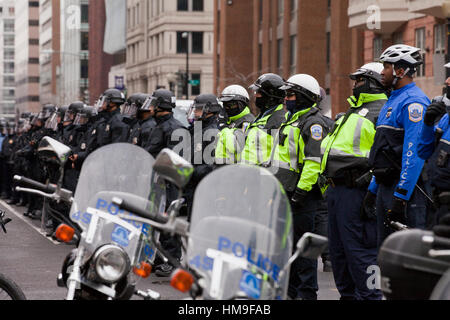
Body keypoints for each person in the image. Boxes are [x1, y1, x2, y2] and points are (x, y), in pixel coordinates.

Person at [321, 62, 388, 300]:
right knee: (339, 256)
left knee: (361, 255)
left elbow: (388, 156)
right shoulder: (351, 112)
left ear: (373, 82)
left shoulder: (381, 111)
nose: (355, 85)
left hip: (358, 192)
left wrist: (370, 183)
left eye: (360, 80)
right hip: (337, 191)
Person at [267, 74, 330, 300]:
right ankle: (291, 294)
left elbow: (313, 163)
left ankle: (306, 295)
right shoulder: (292, 119)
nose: (286, 98)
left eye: (291, 94)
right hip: (286, 193)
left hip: (302, 197)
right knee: (290, 249)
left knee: (303, 252)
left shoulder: (312, 123)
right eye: (285, 94)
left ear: (304, 97)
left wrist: (301, 193)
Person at [363, 44, 431, 248]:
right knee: (385, 255)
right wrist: (372, 189)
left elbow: (414, 154)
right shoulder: (391, 101)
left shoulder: (414, 102)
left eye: (386, 67)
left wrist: (401, 196)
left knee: (408, 258)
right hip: (385, 187)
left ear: (400, 71)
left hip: (406, 191)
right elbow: (384, 151)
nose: (382, 72)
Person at [140, 89, 189, 277]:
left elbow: (175, 159)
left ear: (161, 105)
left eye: (154, 103)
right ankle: (158, 258)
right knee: (157, 220)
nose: (150, 107)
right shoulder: (158, 125)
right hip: (157, 181)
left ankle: (170, 260)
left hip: (169, 183)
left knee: (169, 220)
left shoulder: (174, 128)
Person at [418, 62, 450, 227]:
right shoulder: (445, 118)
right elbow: (423, 152)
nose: (448, 81)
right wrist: (428, 124)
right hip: (437, 202)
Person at [241, 73, 286, 166]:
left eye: (259, 93)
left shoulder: (279, 121)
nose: (255, 95)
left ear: (271, 96)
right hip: (248, 175)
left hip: (263, 177)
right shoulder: (262, 116)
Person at [215, 85, 255, 165]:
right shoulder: (230, 121)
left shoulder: (247, 122)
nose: (227, 108)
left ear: (242, 104)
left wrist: (224, 128)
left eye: (231, 104)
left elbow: (235, 146)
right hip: (222, 169)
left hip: (236, 169)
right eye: (225, 105)